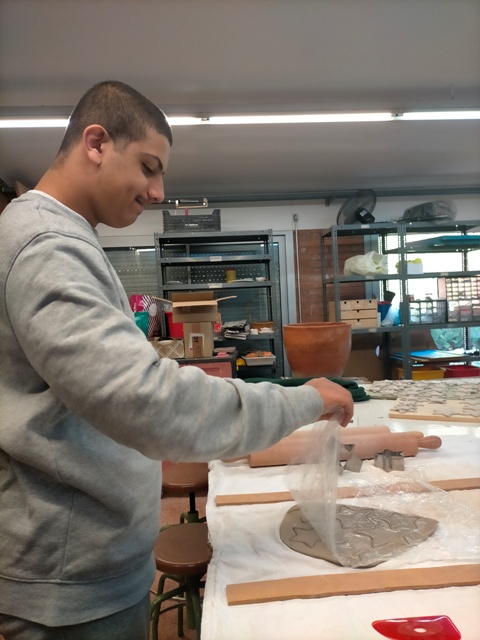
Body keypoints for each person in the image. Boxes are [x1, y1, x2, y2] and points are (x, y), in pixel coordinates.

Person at [0, 80, 353, 640]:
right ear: (96, 143)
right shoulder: (47, 247)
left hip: (84, 565)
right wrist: (303, 400)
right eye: (148, 167)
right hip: (68, 584)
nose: (158, 191)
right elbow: (148, 403)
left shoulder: (61, 239)